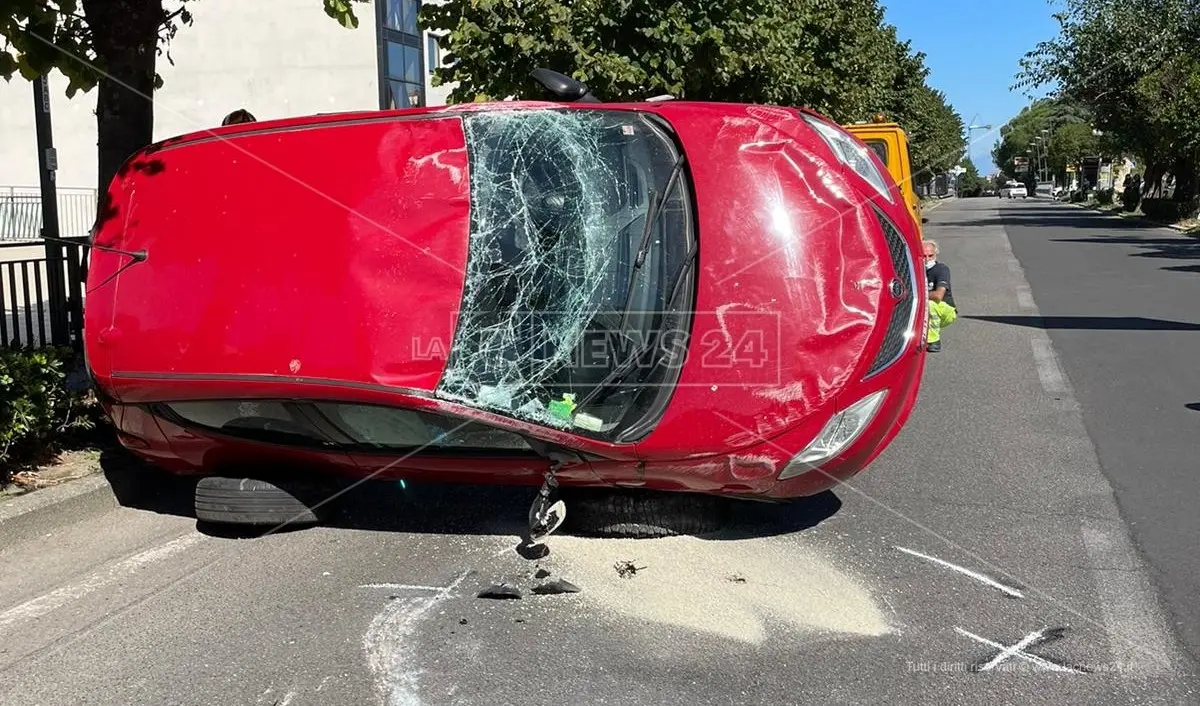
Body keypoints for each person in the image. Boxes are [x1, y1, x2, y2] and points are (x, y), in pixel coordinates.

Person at [923, 239, 956, 353]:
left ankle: (934, 340)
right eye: (923, 256)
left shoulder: (941, 270)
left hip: (945, 309)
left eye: (930, 256)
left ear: (935, 255)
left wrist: (920, 294)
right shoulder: (916, 270)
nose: (927, 260)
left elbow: (938, 296)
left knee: (930, 305)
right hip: (922, 306)